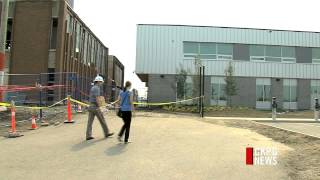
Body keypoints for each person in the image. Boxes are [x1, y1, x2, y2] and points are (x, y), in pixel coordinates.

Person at [86, 75, 114, 141]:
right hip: (95, 107)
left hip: (91, 106)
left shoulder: (93, 87)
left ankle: (88, 135)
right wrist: (101, 107)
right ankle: (106, 133)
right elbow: (97, 98)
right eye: (101, 82)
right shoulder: (97, 88)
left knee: (90, 122)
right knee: (102, 120)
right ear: (98, 81)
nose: (102, 83)